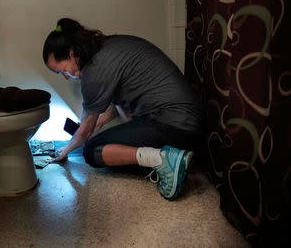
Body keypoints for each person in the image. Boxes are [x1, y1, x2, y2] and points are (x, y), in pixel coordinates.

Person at [42, 18, 205, 200]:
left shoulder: (93, 71)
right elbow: (114, 106)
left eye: (61, 70)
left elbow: (85, 133)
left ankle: (164, 159)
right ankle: (173, 159)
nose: (65, 77)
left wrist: (64, 151)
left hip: (176, 125)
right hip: (189, 126)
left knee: (92, 151)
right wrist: (95, 124)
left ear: (72, 54)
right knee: (117, 156)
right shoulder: (108, 48)